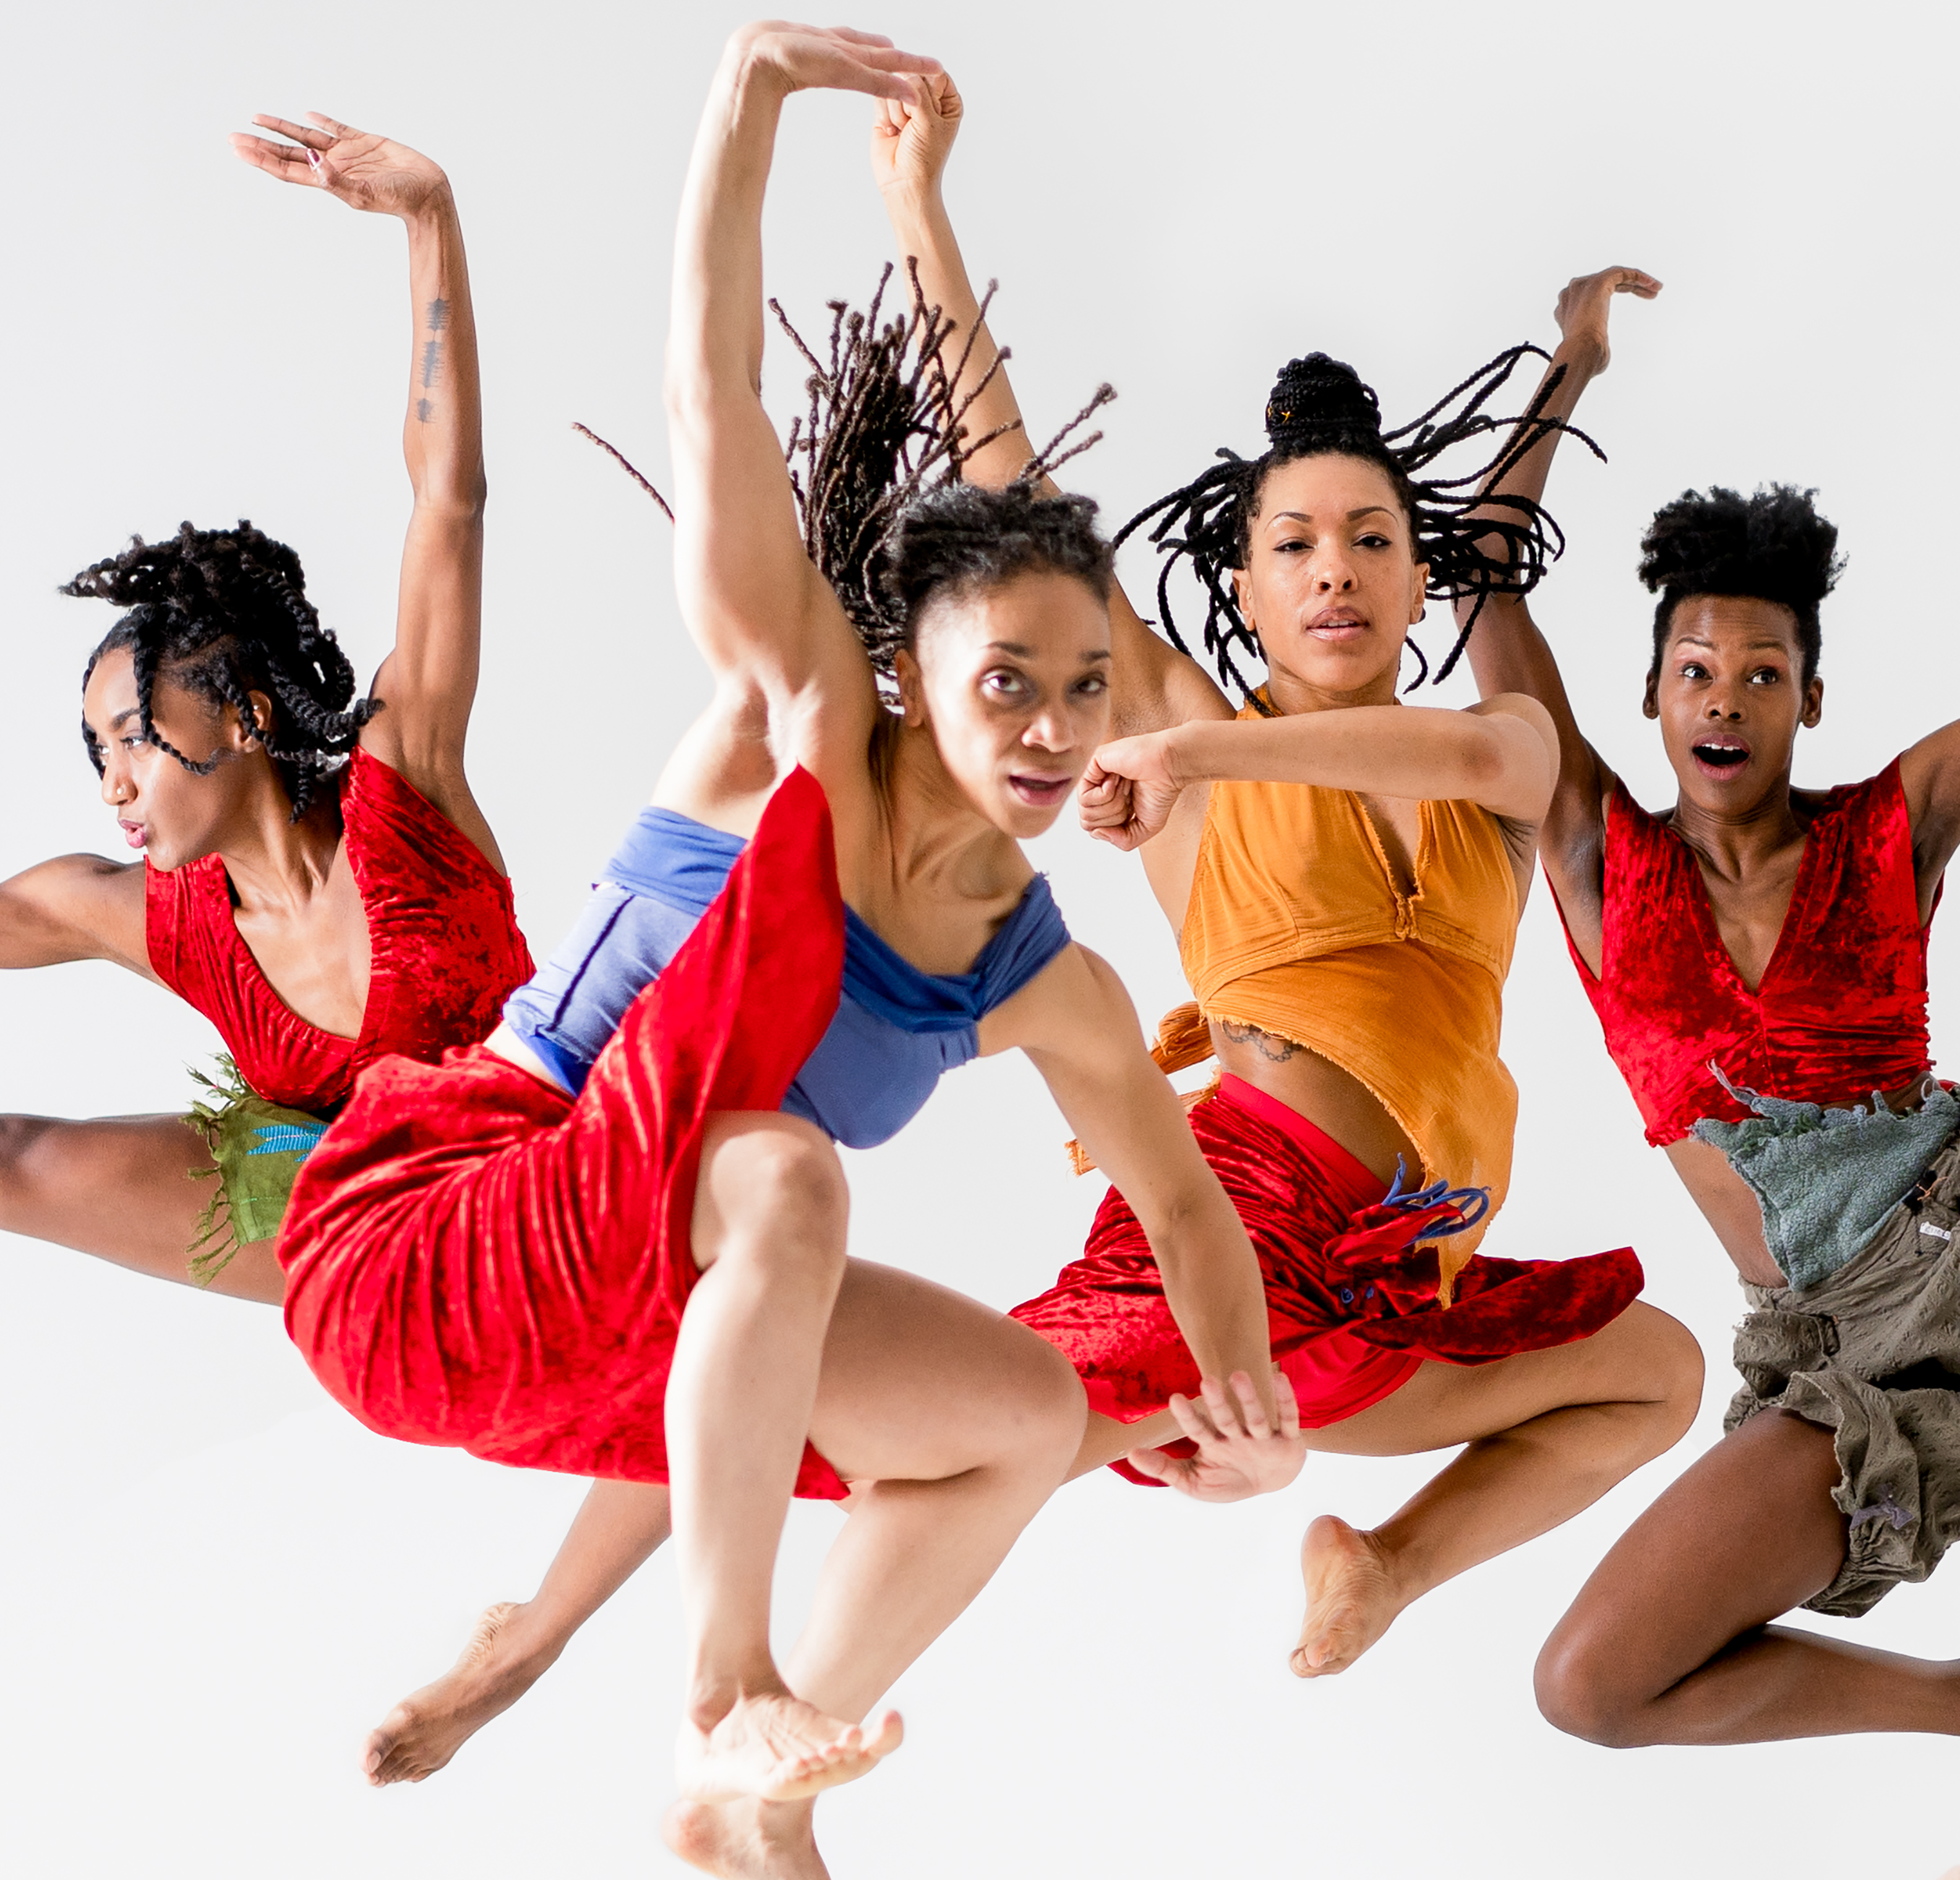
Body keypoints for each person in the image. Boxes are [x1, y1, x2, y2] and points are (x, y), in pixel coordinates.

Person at [281, 25, 1301, 1871]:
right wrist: (746, 99)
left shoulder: (1044, 975)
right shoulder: (794, 722)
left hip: (621, 1329)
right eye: (1009, 682)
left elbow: (1187, 1206)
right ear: (913, 670)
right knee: (778, 1166)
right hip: (436, 1229)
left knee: (1019, 1412)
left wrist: (1254, 1408)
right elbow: (714, 404)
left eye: (1087, 689)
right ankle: (722, 1671)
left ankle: (743, 1803)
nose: (1058, 730)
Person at [881, 72, 1701, 1678]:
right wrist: (920, 208)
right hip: (1244, 1219)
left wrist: (1570, 367)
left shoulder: (1496, 749)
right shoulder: (1176, 721)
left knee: (1654, 1374)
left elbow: (1461, 737)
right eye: (1295, 546)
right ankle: (757, 1665)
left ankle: (1380, 1568)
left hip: (1406, 1264)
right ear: (1240, 589)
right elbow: (1020, 487)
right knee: (1016, 1418)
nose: (1334, 567)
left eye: (1371, 541)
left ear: (1415, 574)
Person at [1461, 267, 1960, 1746]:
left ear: (1808, 699)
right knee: (1589, 1684)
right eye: (1695, 669)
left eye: (1761, 671)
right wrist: (1572, 361)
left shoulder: (1886, 828)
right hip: (1819, 1342)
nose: (1724, 696)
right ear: (1650, 695)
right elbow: (1481, 568)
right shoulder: (1593, 860)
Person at [0, 114, 531, 1302]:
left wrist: (429, 221)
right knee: (12, 1160)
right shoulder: (155, 915)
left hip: (536, 1175)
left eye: (136, 736)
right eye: (97, 751)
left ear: (244, 717)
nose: (112, 783)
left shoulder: (409, 782)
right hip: (348, 1206)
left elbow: (450, 500)